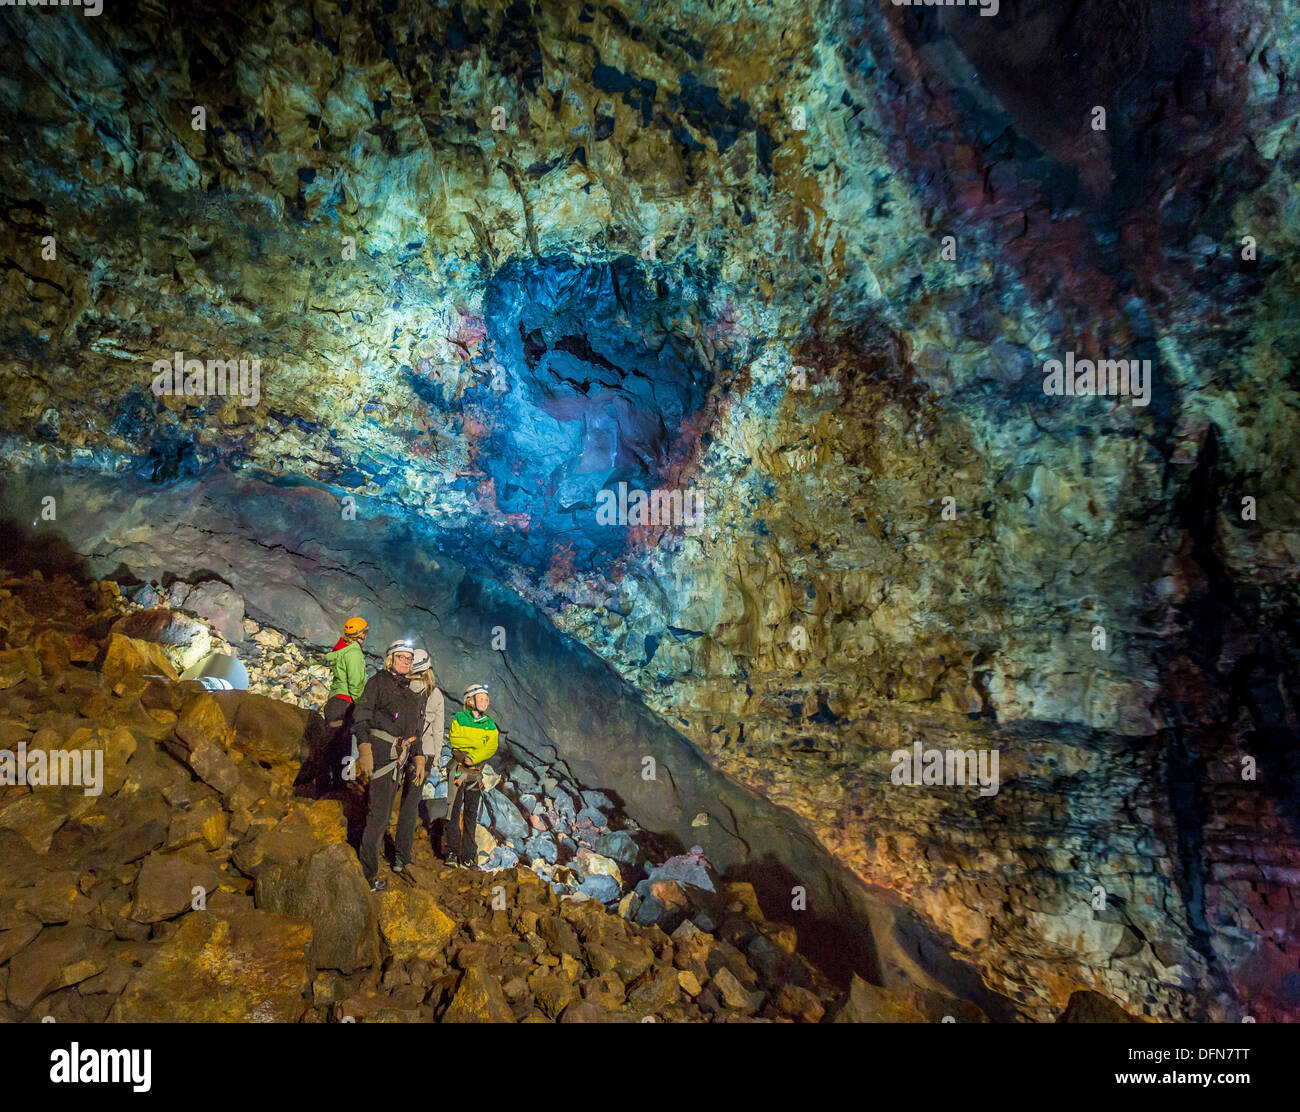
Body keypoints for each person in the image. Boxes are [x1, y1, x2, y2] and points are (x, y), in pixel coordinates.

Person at [354, 638, 426, 891]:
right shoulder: (378, 683)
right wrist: (364, 748)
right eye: (401, 657)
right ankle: (366, 877)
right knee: (378, 816)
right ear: (390, 659)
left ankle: (366, 869)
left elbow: (415, 731)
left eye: (409, 658)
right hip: (382, 754)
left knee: (382, 815)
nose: (405, 661)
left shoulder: (409, 694)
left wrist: (419, 757)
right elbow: (361, 715)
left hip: (398, 759)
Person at [444, 683, 499, 869]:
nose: (485, 702)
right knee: (453, 810)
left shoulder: (490, 724)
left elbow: (491, 746)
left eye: (486, 699)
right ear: (470, 701)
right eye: (481, 698)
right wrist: (475, 751)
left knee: (471, 813)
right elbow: (456, 740)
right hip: (459, 770)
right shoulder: (460, 718)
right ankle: (451, 851)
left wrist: (473, 758)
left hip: (475, 772)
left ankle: (468, 856)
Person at [323, 617, 368, 791]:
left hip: (334, 702)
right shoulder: (354, 653)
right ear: (361, 634)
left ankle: (326, 784)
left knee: (332, 747)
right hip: (345, 704)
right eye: (365, 632)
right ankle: (340, 787)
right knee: (345, 748)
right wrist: (362, 707)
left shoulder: (341, 650)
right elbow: (355, 684)